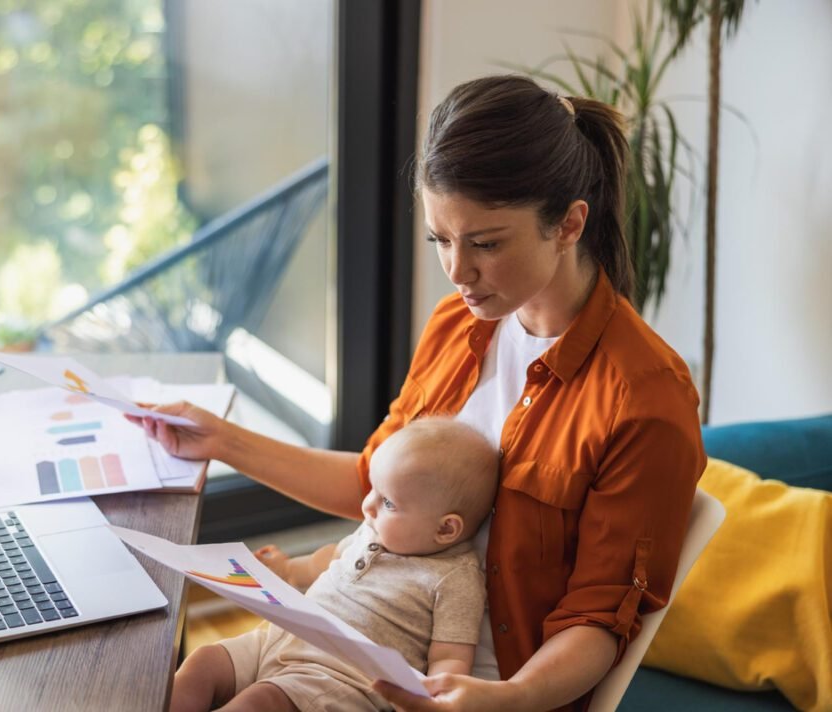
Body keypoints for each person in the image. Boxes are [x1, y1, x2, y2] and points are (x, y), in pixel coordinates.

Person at [130, 74, 705, 712]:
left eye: (486, 243)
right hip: (350, 631)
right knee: (167, 676)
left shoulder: (645, 399)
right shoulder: (458, 326)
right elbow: (373, 484)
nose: (458, 271)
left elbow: (597, 620)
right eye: (441, 240)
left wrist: (508, 697)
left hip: (469, 688)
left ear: (569, 225)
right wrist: (221, 440)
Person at [169, 417, 500, 712]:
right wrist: (288, 570)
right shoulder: (374, 529)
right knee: (203, 661)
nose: (367, 506)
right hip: (282, 639)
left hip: (340, 678)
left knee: (261, 700)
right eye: (373, 488)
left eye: (387, 502)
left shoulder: (455, 579)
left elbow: (450, 657)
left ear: (446, 529)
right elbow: (330, 557)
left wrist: (435, 695)